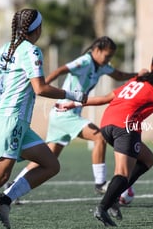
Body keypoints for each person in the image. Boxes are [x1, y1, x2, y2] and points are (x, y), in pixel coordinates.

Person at [0, 8, 87, 229]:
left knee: (51, 164)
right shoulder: (31, 51)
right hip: (10, 121)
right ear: (38, 29)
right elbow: (40, 88)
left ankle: (5, 200)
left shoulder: (8, 47)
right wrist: (72, 94)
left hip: (18, 124)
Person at [58, 50, 153, 226]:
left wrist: (75, 103)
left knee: (147, 159)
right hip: (125, 127)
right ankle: (103, 207)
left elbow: (107, 97)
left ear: (151, 65)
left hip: (107, 124)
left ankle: (113, 197)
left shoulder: (138, 80)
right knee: (122, 174)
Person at [8, 36, 137, 198]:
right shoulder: (84, 61)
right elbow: (60, 70)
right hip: (64, 113)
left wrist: (138, 75)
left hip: (64, 115)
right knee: (99, 137)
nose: (108, 60)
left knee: (48, 157)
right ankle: (100, 183)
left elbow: (118, 75)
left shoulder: (102, 66)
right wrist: (42, 85)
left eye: (110, 57)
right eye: (107, 56)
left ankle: (12, 186)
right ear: (96, 51)